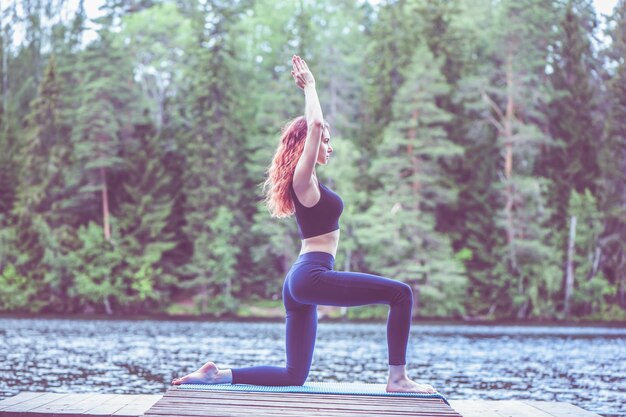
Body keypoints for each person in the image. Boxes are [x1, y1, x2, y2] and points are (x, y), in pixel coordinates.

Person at [171, 55, 436, 394]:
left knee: (294, 375)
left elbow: (316, 130)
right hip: (312, 276)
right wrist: (310, 87)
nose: (329, 145)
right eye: (326, 141)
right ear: (305, 146)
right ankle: (397, 379)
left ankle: (217, 374)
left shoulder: (307, 184)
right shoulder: (303, 181)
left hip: (299, 280)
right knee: (401, 294)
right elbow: (314, 126)